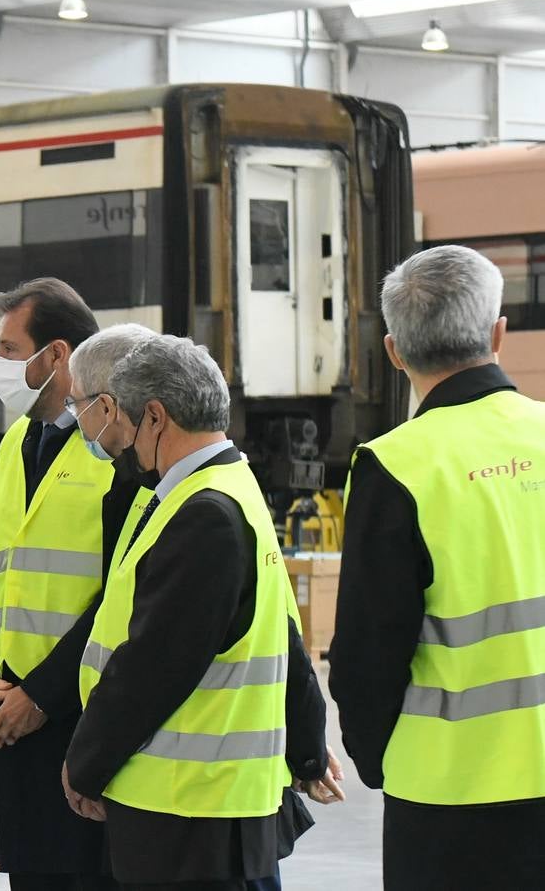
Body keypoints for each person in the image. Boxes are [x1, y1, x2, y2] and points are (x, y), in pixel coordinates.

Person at [68, 328, 344, 890]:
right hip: (210, 814)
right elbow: (284, 632)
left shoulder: (203, 515)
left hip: (189, 815)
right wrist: (309, 745)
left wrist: (85, 765)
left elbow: (152, 667)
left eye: (123, 417)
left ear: (155, 417)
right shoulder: (232, 489)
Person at [328, 245, 545, 890]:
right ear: (499, 333)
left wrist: (377, 759)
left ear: (394, 353)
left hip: (450, 792)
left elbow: (368, 651)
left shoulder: (394, 465)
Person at [0, 277, 113, 890]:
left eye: (8, 347)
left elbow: (125, 593)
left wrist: (43, 694)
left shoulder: (114, 448)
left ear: (55, 355)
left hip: (84, 715)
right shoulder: (16, 442)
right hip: (11, 720)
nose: (0, 364)